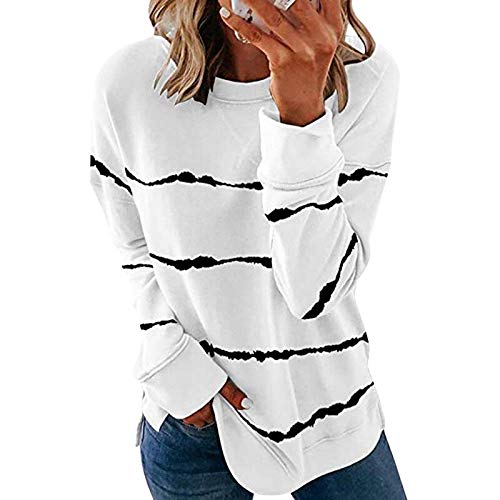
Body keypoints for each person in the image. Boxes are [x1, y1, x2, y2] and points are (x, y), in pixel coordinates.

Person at [89, 0, 407, 497]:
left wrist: (301, 120)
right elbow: (133, 243)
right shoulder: (129, 82)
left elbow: (314, 292)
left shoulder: (366, 79)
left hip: (331, 411)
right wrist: (177, 369)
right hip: (196, 417)